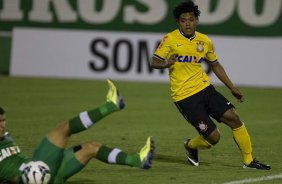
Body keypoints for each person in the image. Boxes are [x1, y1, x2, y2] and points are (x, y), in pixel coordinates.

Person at [150, 1, 270, 170]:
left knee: (234, 118)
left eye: (191, 19)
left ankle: (249, 161)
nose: (187, 23)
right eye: (183, 20)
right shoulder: (170, 39)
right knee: (214, 138)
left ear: (197, 20)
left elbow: (215, 64)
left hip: (205, 89)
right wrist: (166, 64)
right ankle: (191, 145)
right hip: (185, 97)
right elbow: (154, 61)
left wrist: (232, 87)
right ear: (178, 22)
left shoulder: (204, 41)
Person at [0, 80, 155, 184]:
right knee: (62, 129)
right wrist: (23, 179)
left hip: (47, 173)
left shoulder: (5, 136)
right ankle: (110, 106)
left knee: (91, 148)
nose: (3, 125)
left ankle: (137, 160)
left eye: (4, 121)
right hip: (32, 176)